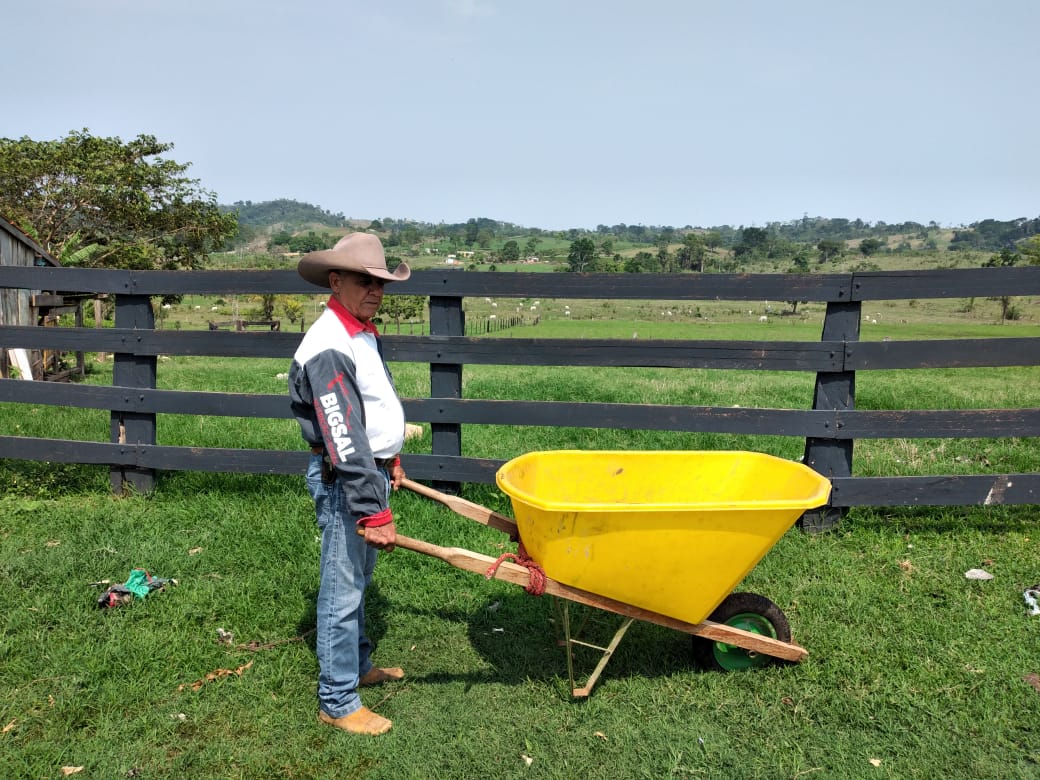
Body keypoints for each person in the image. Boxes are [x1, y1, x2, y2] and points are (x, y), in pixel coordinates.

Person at [288, 232, 411, 736]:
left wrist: (392, 458)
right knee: (342, 591)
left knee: (357, 583)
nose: (376, 290)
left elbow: (371, 406)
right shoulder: (329, 344)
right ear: (335, 280)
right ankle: (337, 700)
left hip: (366, 473)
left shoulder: (359, 330)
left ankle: (357, 668)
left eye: (380, 282)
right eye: (365, 280)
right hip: (347, 478)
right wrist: (372, 507)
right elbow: (343, 434)